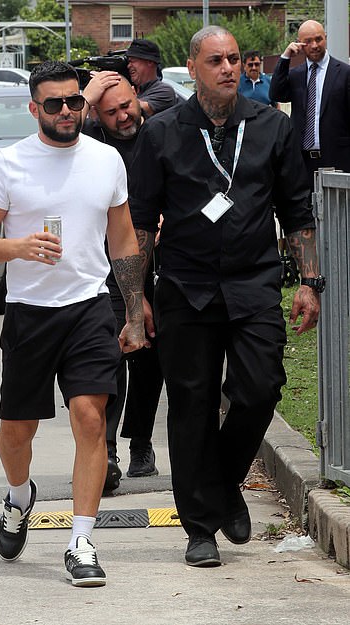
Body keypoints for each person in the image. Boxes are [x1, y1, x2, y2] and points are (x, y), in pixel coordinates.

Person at [129, 26, 323, 568]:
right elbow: (141, 223)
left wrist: (309, 281)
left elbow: (297, 210)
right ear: (192, 67)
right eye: (216, 59)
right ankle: (199, 528)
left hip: (253, 282)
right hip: (185, 289)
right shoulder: (162, 132)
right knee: (190, 404)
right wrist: (133, 300)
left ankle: (221, 485)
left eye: (234, 58)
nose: (229, 68)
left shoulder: (271, 127)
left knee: (261, 387)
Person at [0, 60, 145, 587]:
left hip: (90, 307)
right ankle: (20, 498)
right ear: (34, 109)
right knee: (16, 431)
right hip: (30, 314)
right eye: (54, 104)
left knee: (91, 418)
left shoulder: (107, 160)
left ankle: (81, 539)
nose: (67, 111)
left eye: (74, 102)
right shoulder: (9, 164)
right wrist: (17, 246)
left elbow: (124, 238)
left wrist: (133, 310)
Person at [82, 72, 164, 490]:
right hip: (109, 267)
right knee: (112, 356)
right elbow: (51, 135)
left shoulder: (163, 135)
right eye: (110, 111)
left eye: (126, 105)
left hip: (163, 268)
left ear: (138, 97)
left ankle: (141, 443)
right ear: (98, 113)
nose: (123, 116)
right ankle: (107, 451)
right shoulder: (91, 141)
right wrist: (84, 97)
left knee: (151, 361)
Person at [269, 19, 350, 191]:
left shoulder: (344, 73)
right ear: (299, 44)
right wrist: (285, 58)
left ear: (325, 38)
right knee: (304, 213)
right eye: (308, 41)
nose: (314, 45)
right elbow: (276, 94)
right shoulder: (296, 75)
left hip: (336, 159)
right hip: (302, 161)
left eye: (318, 39)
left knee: (335, 215)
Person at [125, 38, 176, 118]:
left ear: (150, 62)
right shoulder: (129, 88)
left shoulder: (165, 91)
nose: (129, 66)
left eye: (133, 61)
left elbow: (137, 109)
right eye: (128, 62)